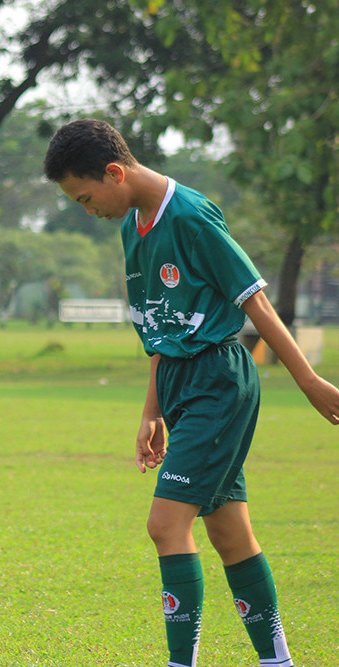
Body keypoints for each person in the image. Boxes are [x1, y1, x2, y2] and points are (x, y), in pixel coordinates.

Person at [43, 118, 339, 667]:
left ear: (114, 172)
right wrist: (150, 412)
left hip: (218, 380)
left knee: (165, 524)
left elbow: (256, 303)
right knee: (230, 533)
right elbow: (159, 326)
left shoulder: (191, 215)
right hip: (180, 385)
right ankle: (278, 661)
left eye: (86, 197)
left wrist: (308, 381)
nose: (89, 209)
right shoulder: (133, 226)